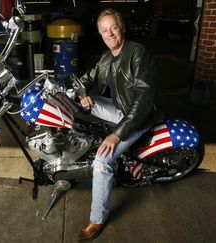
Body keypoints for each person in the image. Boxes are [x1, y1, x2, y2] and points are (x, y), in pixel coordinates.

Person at [76, 8, 160, 242]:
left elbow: (143, 98)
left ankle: (96, 219)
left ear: (121, 28)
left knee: (102, 161)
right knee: (78, 108)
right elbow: (86, 79)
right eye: (104, 30)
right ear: (101, 35)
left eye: (113, 27)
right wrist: (83, 93)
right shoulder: (106, 58)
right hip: (120, 109)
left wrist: (117, 134)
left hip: (140, 116)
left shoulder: (137, 53)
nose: (110, 34)